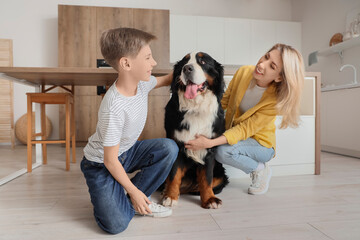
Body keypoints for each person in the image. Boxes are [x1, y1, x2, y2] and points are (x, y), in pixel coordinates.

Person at [81, 27, 178, 234]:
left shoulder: (141, 84)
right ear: (126, 63)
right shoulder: (114, 107)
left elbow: (164, 80)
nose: (153, 63)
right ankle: (132, 199)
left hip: (126, 152)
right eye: (148, 57)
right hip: (100, 163)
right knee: (115, 225)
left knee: (168, 148)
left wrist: (187, 66)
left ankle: (130, 200)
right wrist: (132, 191)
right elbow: (110, 161)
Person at [185, 43, 304, 195]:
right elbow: (224, 102)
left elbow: (244, 129)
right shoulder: (244, 72)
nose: (261, 65)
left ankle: (261, 170)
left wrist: (209, 142)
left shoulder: (274, 101)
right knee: (216, 145)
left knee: (221, 151)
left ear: (279, 77)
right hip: (238, 135)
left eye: (272, 66)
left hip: (261, 145)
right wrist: (200, 110)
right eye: (266, 57)